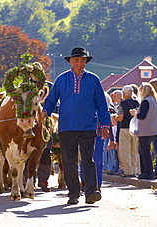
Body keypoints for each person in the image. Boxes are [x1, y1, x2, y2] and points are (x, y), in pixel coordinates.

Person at [42, 46, 110, 205]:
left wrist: (105, 124)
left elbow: (101, 104)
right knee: (69, 161)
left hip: (88, 126)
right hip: (67, 126)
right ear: (71, 62)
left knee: (88, 159)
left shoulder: (93, 79)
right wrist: (45, 111)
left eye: (82, 60)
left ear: (86, 61)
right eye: (76, 60)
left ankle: (91, 192)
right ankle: (73, 193)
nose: (79, 63)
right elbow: (52, 99)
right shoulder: (61, 79)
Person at [130, 83, 157, 180]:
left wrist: (135, 113)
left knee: (144, 152)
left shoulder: (145, 101)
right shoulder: (153, 100)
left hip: (145, 130)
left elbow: (142, 116)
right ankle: (146, 172)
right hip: (153, 130)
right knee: (145, 151)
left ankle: (147, 173)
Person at [115, 85, 140, 178]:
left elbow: (121, 118)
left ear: (124, 94)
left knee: (125, 151)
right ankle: (135, 170)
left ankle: (128, 171)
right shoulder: (137, 102)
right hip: (135, 129)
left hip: (125, 128)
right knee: (134, 151)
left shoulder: (123, 104)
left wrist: (116, 117)